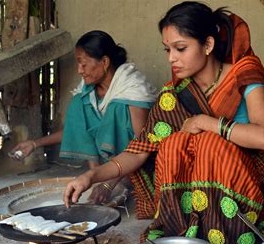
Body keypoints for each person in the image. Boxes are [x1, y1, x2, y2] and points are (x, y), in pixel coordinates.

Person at [63, 2, 264, 244]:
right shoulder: (175, 94)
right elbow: (139, 151)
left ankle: (230, 235)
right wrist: (91, 177)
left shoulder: (244, 74)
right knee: (173, 145)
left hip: (250, 181)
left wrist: (205, 122)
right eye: (167, 49)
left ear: (208, 45)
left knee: (210, 144)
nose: (171, 58)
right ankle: (192, 230)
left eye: (180, 48)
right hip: (202, 192)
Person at [10, 30, 157, 204]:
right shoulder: (87, 92)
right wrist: (34, 143)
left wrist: (108, 184)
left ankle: (121, 181)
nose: (79, 70)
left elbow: (142, 147)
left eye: (83, 64)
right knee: (79, 103)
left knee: (116, 108)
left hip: (135, 165)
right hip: (102, 169)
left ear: (104, 62)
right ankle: (99, 175)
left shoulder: (132, 90)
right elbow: (73, 131)